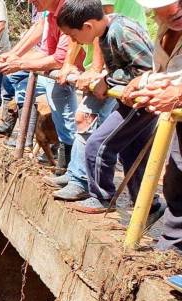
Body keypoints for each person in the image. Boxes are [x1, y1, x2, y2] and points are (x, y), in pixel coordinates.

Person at [56, 0, 162, 219]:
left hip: (139, 101)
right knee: (132, 153)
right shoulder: (106, 32)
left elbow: (148, 69)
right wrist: (108, 78)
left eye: (73, 35)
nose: (74, 41)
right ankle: (150, 207)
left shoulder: (120, 31)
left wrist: (108, 79)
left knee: (98, 145)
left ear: (87, 27)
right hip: (132, 100)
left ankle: (102, 197)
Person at [0, 0, 85, 174]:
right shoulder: (50, 14)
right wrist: (16, 58)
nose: (30, 2)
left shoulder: (67, 12)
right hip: (59, 70)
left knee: (71, 121)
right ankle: (25, 142)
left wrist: (20, 63)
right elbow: (48, 51)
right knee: (23, 89)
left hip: (75, 73)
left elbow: (59, 58)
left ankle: (72, 171)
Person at [124, 0, 182, 254]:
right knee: (175, 178)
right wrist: (144, 79)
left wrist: (179, 93)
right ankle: (172, 247)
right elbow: (170, 72)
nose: (175, 10)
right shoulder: (167, 29)